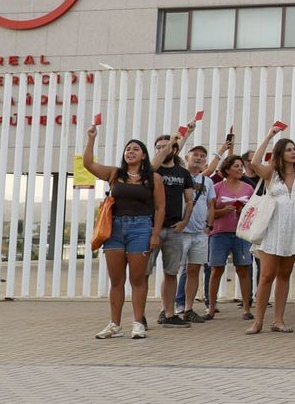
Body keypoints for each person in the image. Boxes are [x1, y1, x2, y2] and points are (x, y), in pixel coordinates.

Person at [86, 126, 165, 340]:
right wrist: (91, 139)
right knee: (116, 280)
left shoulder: (153, 178)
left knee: (137, 279)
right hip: (115, 228)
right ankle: (115, 324)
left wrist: (155, 234)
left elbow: (160, 208)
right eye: (128, 149)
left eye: (136, 149)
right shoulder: (115, 174)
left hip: (141, 228)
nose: (130, 151)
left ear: (144, 155)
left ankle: (138, 323)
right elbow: (89, 164)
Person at [247, 125, 295, 335]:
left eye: (294, 149)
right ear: (280, 154)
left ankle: (279, 320)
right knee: (266, 275)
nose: (293, 152)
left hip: (293, 228)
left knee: (285, 274)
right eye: (289, 149)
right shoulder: (271, 173)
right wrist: (270, 135)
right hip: (273, 228)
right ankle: (258, 321)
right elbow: (254, 163)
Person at [151, 129, 196, 328]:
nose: (162, 149)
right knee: (143, 273)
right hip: (152, 229)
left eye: (166, 146)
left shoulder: (183, 173)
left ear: (174, 149)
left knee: (171, 273)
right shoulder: (152, 170)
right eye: (159, 147)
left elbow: (189, 200)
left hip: (173, 229)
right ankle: (139, 316)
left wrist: (185, 221)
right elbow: (152, 164)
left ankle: (168, 313)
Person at [205, 152, 254, 321]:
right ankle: (211, 306)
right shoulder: (217, 187)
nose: (240, 169)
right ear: (227, 169)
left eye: (241, 166)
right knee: (216, 269)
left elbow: (254, 211)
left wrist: (244, 211)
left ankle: (247, 307)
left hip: (241, 234)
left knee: (243, 269)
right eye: (236, 166)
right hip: (219, 233)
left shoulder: (248, 188)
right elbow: (209, 212)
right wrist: (221, 212)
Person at [175, 143, 216, 323]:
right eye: (195, 155)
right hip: (181, 232)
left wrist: (209, 225)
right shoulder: (179, 176)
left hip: (200, 233)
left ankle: (189, 308)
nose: (199, 158)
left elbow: (211, 205)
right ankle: (167, 308)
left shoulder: (207, 181)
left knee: (194, 270)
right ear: (187, 158)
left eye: (202, 156)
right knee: (172, 271)